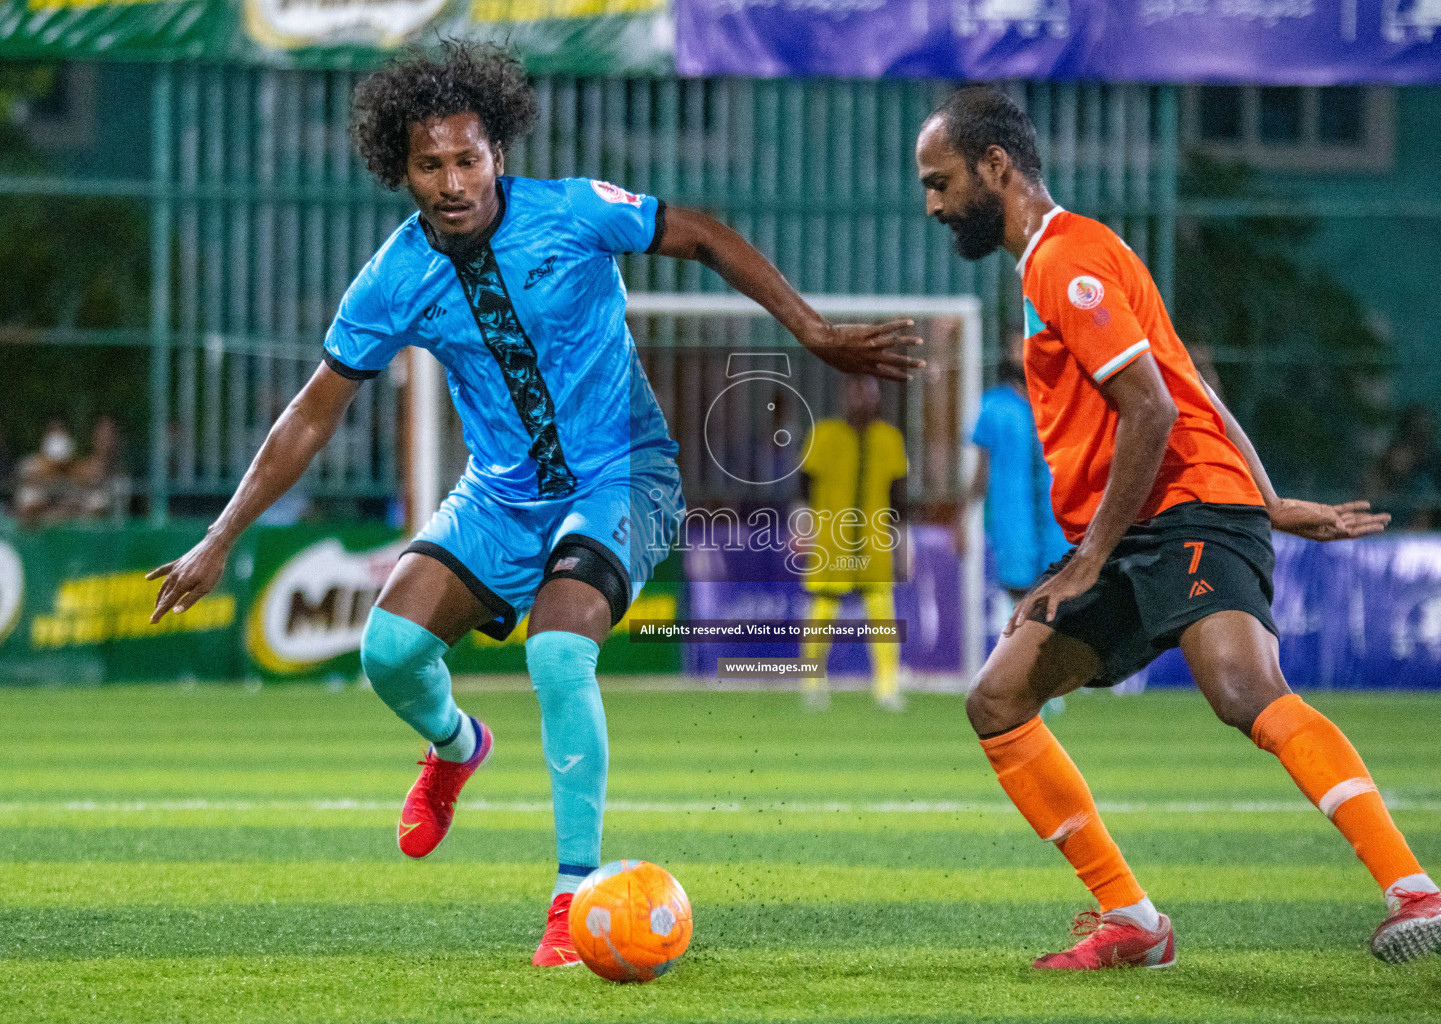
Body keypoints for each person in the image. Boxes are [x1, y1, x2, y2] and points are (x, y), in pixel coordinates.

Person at [147, 42, 921, 968]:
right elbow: (313, 415)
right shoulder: (391, 278)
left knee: (559, 649)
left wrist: (815, 331)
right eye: (429, 165)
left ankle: (572, 898)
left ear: (498, 155)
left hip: (624, 473)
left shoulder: (573, 213)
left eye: (467, 159)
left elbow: (704, 233)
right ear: (400, 170)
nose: (452, 182)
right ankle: (456, 746)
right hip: (500, 496)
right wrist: (220, 537)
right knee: (387, 653)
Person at [915, 86, 1441, 970]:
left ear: (995, 167)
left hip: (1183, 510)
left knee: (1243, 691)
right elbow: (1195, 386)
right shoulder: (1050, 267)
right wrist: (1273, 495)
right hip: (1148, 523)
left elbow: (1153, 412)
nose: (933, 204)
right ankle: (1134, 924)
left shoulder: (1070, 259)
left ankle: (1420, 895)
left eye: (940, 180)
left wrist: (1090, 558)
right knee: (998, 697)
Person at [797, 374, 908, 711]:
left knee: (882, 613)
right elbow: (802, 488)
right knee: (823, 608)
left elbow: (898, 499)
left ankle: (887, 687)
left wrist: (903, 546)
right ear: (845, 396)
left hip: (874, 542)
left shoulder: (890, 438)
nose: (862, 400)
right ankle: (812, 683)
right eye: (856, 392)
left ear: (878, 399)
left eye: (868, 392)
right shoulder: (824, 434)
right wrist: (801, 528)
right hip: (833, 539)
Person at [955, 352, 1069, 626]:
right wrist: (963, 517)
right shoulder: (993, 406)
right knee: (1018, 606)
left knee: (1061, 606)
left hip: (1060, 528)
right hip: (1012, 527)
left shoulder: (1064, 401)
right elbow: (981, 470)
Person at [1365, 404, 1441, 529]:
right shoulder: (1375, 479)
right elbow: (1360, 515)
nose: (1400, 460)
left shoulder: (1422, 485)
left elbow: (1420, 525)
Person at [15, 418, 78, 528]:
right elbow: (26, 509)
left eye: (61, 431)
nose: (57, 436)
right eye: (53, 431)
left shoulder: (77, 470)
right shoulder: (30, 467)